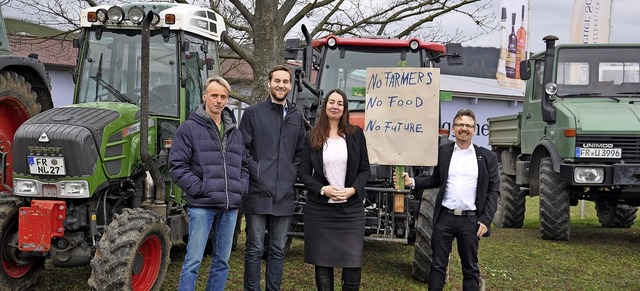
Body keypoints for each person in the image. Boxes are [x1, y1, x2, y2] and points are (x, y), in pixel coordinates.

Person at [396, 109, 499, 291]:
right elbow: (435, 180)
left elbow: (493, 190)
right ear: (453, 128)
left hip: (471, 220)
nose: (464, 129)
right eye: (460, 125)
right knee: (437, 266)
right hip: (445, 218)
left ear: (474, 130)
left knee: (470, 268)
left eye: (468, 125)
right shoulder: (444, 153)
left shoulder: (486, 157)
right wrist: (412, 181)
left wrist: (485, 219)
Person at [169, 76, 249, 291]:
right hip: (202, 206)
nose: (219, 100)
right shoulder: (189, 128)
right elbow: (177, 165)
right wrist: (200, 188)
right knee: (193, 262)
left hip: (229, 207)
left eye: (224, 97)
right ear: (205, 97)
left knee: (222, 262)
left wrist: (240, 188)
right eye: (214, 95)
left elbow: (244, 166)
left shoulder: (235, 131)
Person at [239, 64, 307, 291]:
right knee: (255, 247)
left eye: (285, 81)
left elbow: (300, 152)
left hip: (284, 194)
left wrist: (290, 174)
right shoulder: (252, 113)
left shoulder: (297, 117)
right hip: (258, 192)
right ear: (269, 83)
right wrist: (257, 171)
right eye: (276, 81)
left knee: (278, 249)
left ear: (290, 85)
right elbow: (242, 150)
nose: (281, 85)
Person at [298, 89, 371, 291]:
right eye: (331, 102)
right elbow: (303, 173)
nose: (335, 106)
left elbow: (365, 170)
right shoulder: (312, 136)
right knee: (323, 262)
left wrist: (352, 190)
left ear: (344, 108)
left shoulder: (356, 135)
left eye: (340, 103)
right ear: (325, 105)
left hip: (351, 211)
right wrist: (323, 189)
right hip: (321, 211)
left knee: (353, 262)